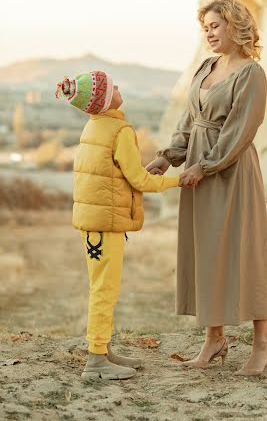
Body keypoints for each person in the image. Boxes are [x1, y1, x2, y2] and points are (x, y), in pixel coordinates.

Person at [147, 0, 267, 376]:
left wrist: (207, 164)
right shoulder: (206, 66)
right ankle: (214, 339)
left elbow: (240, 130)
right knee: (206, 253)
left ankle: (263, 343)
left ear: (235, 27)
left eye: (215, 25)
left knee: (244, 251)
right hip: (197, 168)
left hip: (230, 170)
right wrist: (170, 155)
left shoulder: (251, 74)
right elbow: (190, 118)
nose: (208, 32)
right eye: (205, 26)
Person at [56, 70, 181, 380]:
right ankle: (97, 361)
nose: (119, 87)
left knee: (100, 287)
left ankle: (103, 350)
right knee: (104, 290)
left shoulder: (94, 127)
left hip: (92, 224)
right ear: (105, 98)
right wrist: (180, 180)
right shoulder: (119, 130)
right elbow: (137, 179)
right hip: (106, 224)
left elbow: (119, 174)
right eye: (113, 86)